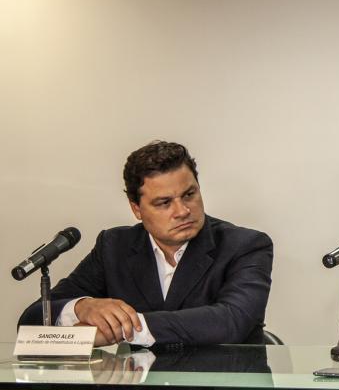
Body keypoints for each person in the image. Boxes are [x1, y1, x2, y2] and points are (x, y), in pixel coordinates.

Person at [18, 141, 273, 347]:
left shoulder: (245, 245)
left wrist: (125, 328)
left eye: (189, 195)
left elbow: (231, 321)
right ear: (136, 209)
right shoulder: (114, 246)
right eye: (164, 203)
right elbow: (32, 319)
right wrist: (82, 307)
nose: (183, 210)